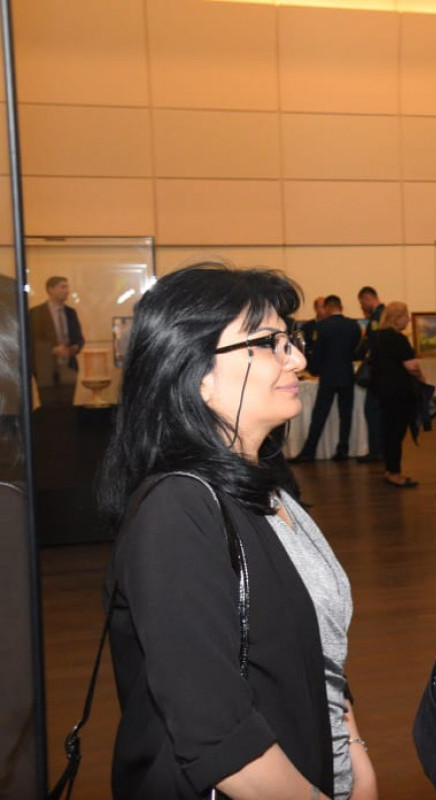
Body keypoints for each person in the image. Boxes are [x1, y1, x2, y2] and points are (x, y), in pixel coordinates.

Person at [96, 263, 376, 799]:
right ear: (197, 372)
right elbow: (218, 737)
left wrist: (356, 761)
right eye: (270, 343)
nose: (297, 356)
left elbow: (318, 651)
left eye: (290, 339)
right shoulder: (176, 511)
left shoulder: (269, 485)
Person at [291, 296, 363, 463]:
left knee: (319, 415)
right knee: (346, 415)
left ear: (328, 308)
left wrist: (315, 370)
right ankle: (342, 449)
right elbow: (356, 351)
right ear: (341, 306)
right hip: (346, 375)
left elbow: (317, 353)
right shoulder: (353, 326)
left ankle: (310, 451)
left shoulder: (322, 327)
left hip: (328, 376)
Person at [371, 301, 423, 488]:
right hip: (399, 394)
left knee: (388, 433)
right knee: (396, 434)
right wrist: (422, 377)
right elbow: (411, 367)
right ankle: (395, 473)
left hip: (383, 393)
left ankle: (389, 469)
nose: (408, 319)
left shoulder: (377, 337)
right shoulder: (398, 339)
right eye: (406, 315)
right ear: (397, 318)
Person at [29, 276, 85, 407]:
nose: (67, 291)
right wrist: (54, 350)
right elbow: (32, 341)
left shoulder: (71, 312)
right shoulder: (36, 313)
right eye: (63, 287)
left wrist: (74, 348)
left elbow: (79, 338)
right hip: (45, 368)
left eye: (67, 287)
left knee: (67, 406)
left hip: (68, 367)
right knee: (49, 406)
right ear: (50, 289)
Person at [355, 286, 385, 464]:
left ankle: (376, 451)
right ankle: (379, 449)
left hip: (377, 373)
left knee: (372, 412)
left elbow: (373, 344)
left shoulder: (377, 316)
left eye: (361, 302)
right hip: (381, 373)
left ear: (367, 298)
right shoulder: (383, 314)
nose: (362, 307)